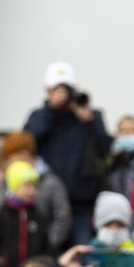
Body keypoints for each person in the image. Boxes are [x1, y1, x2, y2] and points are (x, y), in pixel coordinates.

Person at [21, 61, 112, 245]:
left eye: (66, 89)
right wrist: (51, 110)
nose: (63, 94)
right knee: (45, 250)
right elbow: (28, 142)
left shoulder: (90, 117)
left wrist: (89, 120)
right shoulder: (40, 116)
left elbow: (106, 149)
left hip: (81, 201)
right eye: (57, 89)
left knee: (83, 251)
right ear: (47, 90)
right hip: (47, 201)